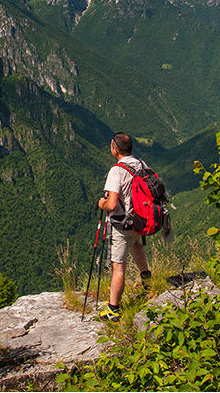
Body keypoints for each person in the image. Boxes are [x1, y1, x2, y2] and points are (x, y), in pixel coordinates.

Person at [96, 132, 152, 322]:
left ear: (115, 149)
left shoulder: (116, 170)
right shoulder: (141, 164)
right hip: (140, 221)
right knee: (137, 245)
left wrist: (100, 204)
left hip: (122, 224)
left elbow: (111, 205)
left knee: (118, 267)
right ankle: (148, 281)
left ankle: (113, 309)